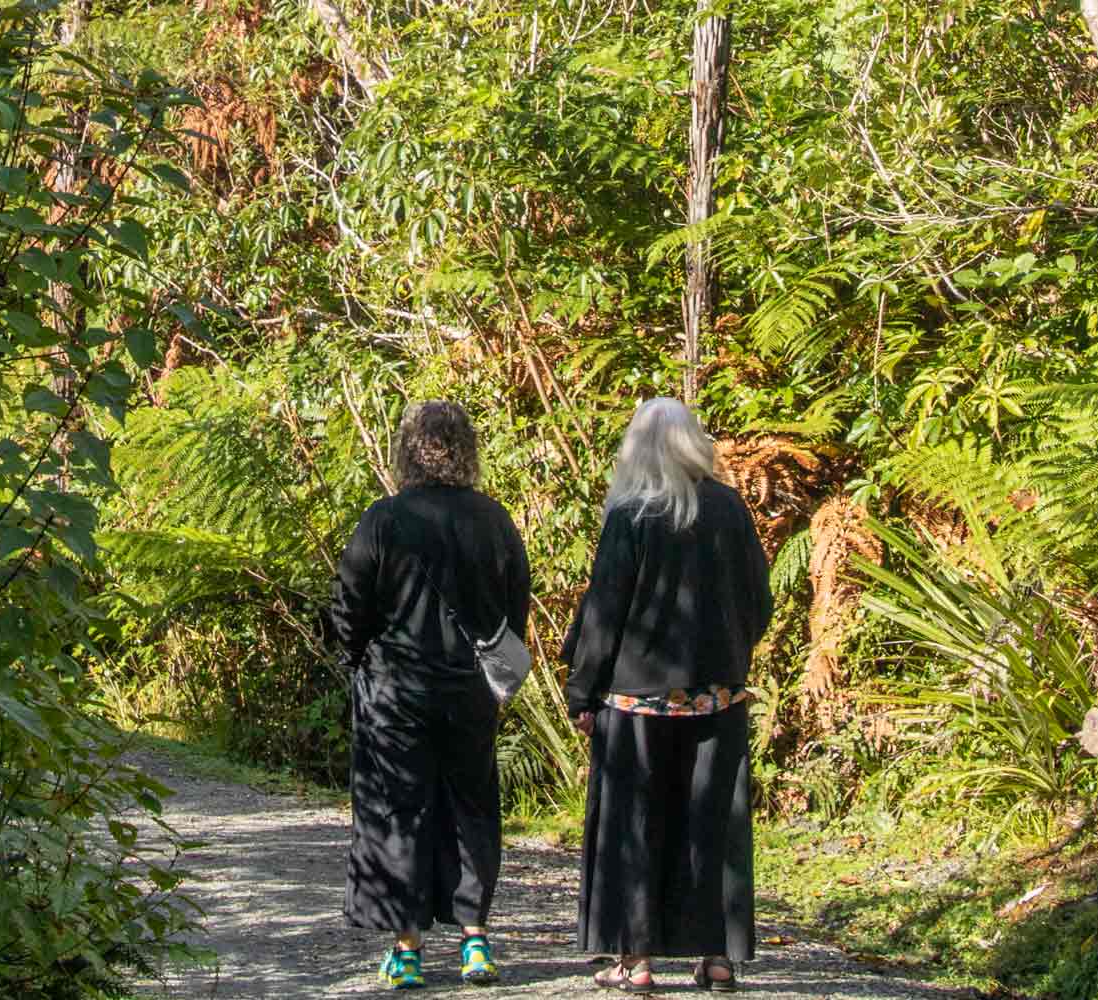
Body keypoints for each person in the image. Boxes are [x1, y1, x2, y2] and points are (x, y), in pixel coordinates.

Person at [561, 397, 773, 994]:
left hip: (635, 703)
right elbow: (759, 601)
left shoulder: (631, 514)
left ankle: (638, 960)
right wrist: (730, 655)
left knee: (636, 826)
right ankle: (718, 958)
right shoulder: (730, 509)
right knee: (711, 826)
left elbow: (604, 614)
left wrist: (584, 691)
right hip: (717, 699)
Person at [326, 400, 531, 990]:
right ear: (466, 449)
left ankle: (407, 946)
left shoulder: (384, 519)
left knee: (401, 810)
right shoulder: (495, 520)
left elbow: (349, 606)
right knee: (471, 807)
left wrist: (361, 655)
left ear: (405, 449)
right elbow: (513, 610)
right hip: (469, 689)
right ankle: (475, 941)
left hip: (396, 691)